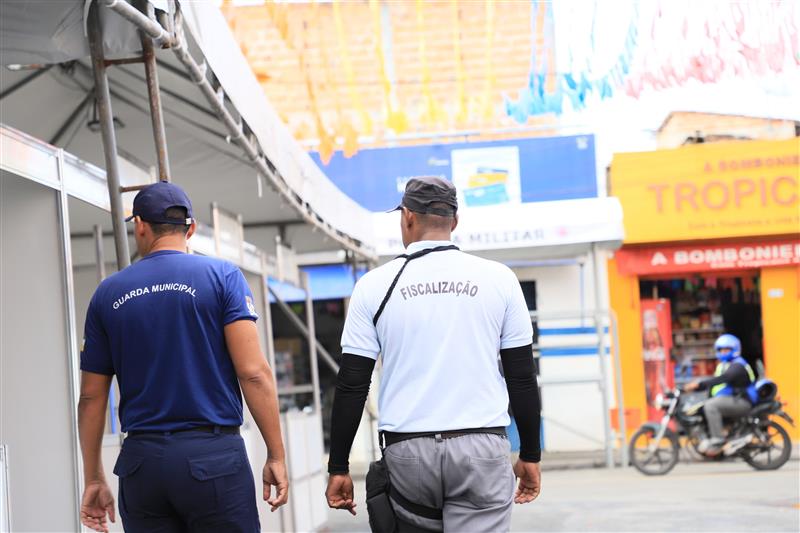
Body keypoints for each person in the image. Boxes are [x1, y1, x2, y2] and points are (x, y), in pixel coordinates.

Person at [325, 177, 542, 532]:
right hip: (481, 448)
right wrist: (530, 454)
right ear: (454, 221)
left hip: (408, 453)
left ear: (407, 216)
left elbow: (352, 384)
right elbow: (520, 375)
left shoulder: (373, 286)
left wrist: (339, 467)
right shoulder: (500, 279)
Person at [77, 181, 288, 533]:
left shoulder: (107, 294)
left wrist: (94, 477)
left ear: (140, 225)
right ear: (190, 228)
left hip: (142, 465)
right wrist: (276, 454)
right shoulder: (222, 277)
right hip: (214, 458)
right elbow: (254, 374)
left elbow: (90, 396)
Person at [685, 333, 756, 453]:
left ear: (735, 349)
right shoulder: (724, 365)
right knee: (704, 405)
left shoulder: (738, 365)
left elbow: (723, 379)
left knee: (711, 406)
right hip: (732, 399)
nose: (723, 352)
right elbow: (718, 384)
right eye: (721, 350)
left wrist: (699, 385)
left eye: (726, 349)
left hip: (742, 401)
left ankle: (718, 440)